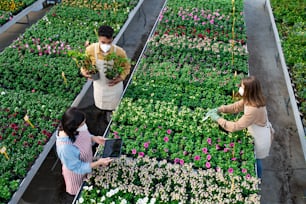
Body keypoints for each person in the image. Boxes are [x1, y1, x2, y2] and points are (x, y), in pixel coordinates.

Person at [207, 76, 274, 178]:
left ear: (249, 90)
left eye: (242, 87)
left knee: (256, 160)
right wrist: (219, 109)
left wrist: (218, 119)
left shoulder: (253, 109)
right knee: (255, 157)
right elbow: (236, 107)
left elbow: (235, 126)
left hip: (260, 136)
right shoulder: (252, 98)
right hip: (257, 129)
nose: (240, 88)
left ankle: (258, 178)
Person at [56, 107, 113, 201]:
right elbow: (78, 167)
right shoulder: (65, 148)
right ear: (73, 127)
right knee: (81, 194)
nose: (84, 125)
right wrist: (98, 163)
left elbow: (83, 136)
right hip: (76, 175)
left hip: (87, 162)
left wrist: (95, 138)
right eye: (82, 124)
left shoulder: (73, 128)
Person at [81, 25, 131, 123]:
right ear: (98, 38)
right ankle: (103, 115)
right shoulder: (90, 50)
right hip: (100, 85)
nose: (106, 45)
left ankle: (112, 118)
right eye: (103, 42)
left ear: (112, 39)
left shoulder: (119, 52)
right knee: (100, 104)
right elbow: (84, 65)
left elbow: (126, 67)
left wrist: (120, 78)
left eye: (109, 43)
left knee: (114, 106)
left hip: (114, 87)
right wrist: (85, 72)